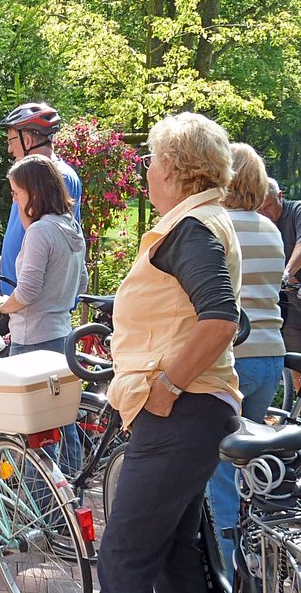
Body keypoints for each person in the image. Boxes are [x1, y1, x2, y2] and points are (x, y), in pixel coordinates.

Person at [97, 112, 242, 592]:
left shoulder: (190, 228)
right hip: (194, 410)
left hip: (181, 410)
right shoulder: (200, 222)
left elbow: (221, 319)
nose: (146, 170)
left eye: (151, 160)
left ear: (175, 168)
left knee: (123, 561)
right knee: (175, 559)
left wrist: (166, 388)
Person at [205, 143, 285, 581]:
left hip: (235, 356)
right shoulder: (270, 229)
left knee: (220, 470)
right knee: (254, 468)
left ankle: (234, 569)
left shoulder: (218, 226)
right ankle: (264, 552)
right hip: (270, 356)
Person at [0, 102, 83, 295]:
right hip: (11, 290)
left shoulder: (56, 178)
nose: (9, 150)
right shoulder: (31, 177)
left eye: (11, 141)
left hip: (29, 303)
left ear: (27, 140)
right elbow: (28, 235)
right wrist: (1, 262)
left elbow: (49, 242)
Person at [0, 154, 88, 355]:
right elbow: (81, 283)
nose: (14, 199)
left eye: (17, 192)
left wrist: (2, 305)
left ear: (34, 193)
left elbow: (27, 292)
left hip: (32, 341)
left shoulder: (40, 231)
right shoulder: (71, 226)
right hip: (62, 337)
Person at [259, 177, 301, 390]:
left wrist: (285, 274)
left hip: (292, 289)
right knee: (296, 361)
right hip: (288, 306)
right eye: (259, 209)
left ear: (280, 196)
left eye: (268, 207)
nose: (264, 214)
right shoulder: (259, 224)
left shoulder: (296, 211)